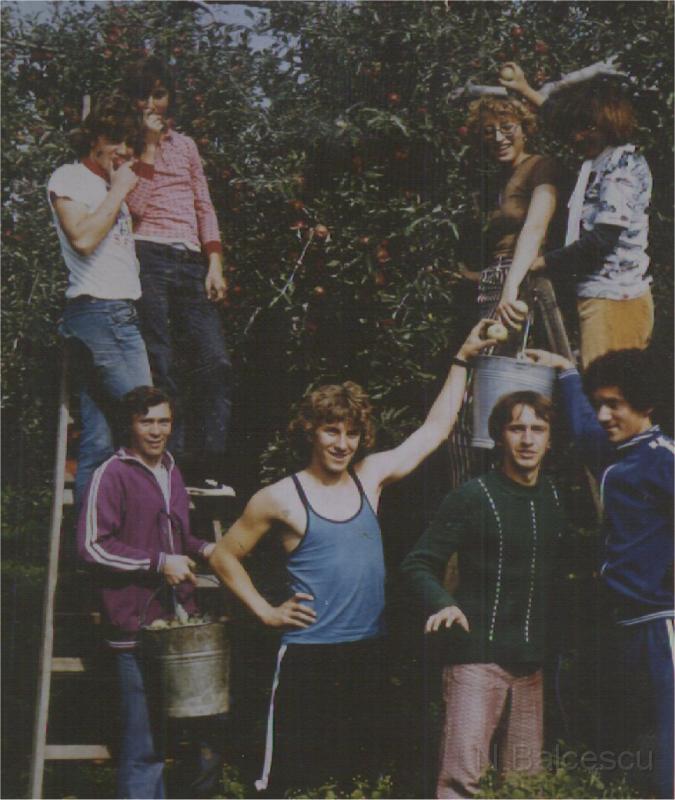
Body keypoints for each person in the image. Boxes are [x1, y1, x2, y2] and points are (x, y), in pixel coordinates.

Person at [208, 319, 501, 796]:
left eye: (351, 433)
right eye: (331, 431)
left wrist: (463, 357)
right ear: (311, 432)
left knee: (358, 778)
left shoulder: (369, 478)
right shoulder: (280, 498)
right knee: (291, 783)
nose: (342, 443)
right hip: (309, 655)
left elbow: (433, 430)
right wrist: (265, 611)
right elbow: (224, 557)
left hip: (367, 651)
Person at [401, 392, 565, 798]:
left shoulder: (555, 497)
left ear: (550, 439)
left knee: (525, 786)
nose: (527, 439)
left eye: (538, 429)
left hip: (531, 667)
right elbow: (417, 564)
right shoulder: (472, 496)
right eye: (516, 428)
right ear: (498, 436)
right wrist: (444, 602)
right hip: (475, 660)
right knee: (461, 782)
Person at [526, 348, 673, 799]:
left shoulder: (663, 460)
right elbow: (585, 428)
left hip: (660, 622)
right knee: (633, 749)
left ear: (646, 403)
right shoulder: (616, 456)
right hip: (623, 622)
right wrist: (566, 373)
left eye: (615, 404)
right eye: (599, 404)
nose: (604, 415)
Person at [76, 386, 219, 799]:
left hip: (179, 627)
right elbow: (92, 546)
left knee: (202, 738)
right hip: (135, 630)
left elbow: (179, 538)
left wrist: (207, 549)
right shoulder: (111, 474)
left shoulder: (171, 469)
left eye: (164, 421)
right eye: (147, 422)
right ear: (130, 425)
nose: (156, 431)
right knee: (145, 746)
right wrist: (158, 563)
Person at [120, 56, 232, 493]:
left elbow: (204, 205)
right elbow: (133, 209)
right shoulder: (124, 146)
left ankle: (207, 462)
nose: (151, 103)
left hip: (189, 260)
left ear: (170, 98)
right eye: (143, 95)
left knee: (215, 360)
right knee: (161, 362)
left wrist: (215, 262)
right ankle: (172, 460)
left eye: (159, 94)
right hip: (146, 254)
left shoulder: (186, 146)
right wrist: (148, 148)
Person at [501, 66, 654, 367]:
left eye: (587, 128)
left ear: (608, 123)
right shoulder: (598, 160)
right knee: (594, 381)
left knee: (608, 387)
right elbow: (559, 118)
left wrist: (544, 263)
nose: (577, 136)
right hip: (597, 294)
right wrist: (524, 90)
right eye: (575, 129)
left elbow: (602, 240)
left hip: (616, 298)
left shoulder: (620, 167)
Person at [48, 92, 152, 505]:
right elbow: (84, 239)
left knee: (100, 438)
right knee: (149, 418)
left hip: (121, 313)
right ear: (94, 139)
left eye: (130, 144)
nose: (123, 151)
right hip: (97, 312)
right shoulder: (70, 177)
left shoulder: (111, 187)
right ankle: (148, 528)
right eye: (115, 140)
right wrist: (120, 190)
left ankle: (92, 538)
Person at [460, 95, 559, 327]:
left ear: (525, 129)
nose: (498, 138)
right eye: (488, 131)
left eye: (507, 128)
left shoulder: (542, 166)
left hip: (526, 279)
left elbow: (535, 228)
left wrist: (511, 287)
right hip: (496, 281)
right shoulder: (495, 181)